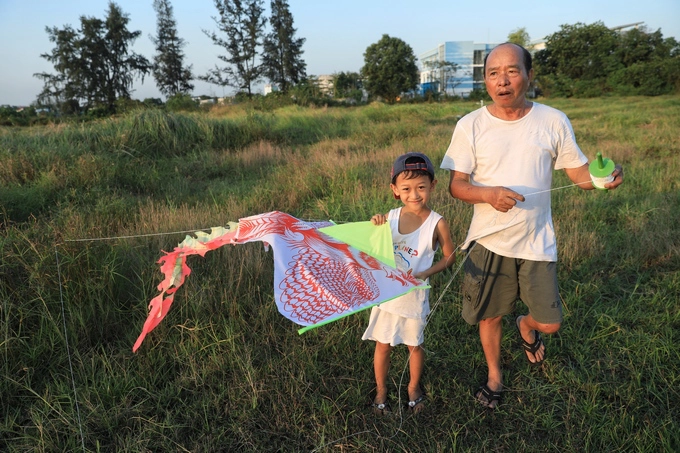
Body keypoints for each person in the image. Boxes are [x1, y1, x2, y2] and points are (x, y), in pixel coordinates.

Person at [440, 43, 624, 409]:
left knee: (550, 323)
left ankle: (526, 326)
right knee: (489, 316)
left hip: (537, 241)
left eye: (511, 71)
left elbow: (578, 175)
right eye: (493, 73)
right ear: (486, 80)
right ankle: (495, 376)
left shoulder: (552, 120)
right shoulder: (470, 125)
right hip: (489, 243)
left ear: (528, 75)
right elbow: (456, 185)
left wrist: (604, 178)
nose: (502, 80)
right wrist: (488, 194)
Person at [362, 152, 456, 415]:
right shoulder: (388, 218)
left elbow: (450, 256)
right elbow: (371, 250)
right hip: (387, 297)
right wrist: (375, 226)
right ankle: (381, 389)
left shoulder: (437, 223)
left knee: (415, 345)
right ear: (395, 190)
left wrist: (426, 272)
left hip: (414, 298)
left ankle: (413, 387)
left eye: (421, 187)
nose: (414, 194)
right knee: (383, 344)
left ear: (433, 186)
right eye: (406, 189)